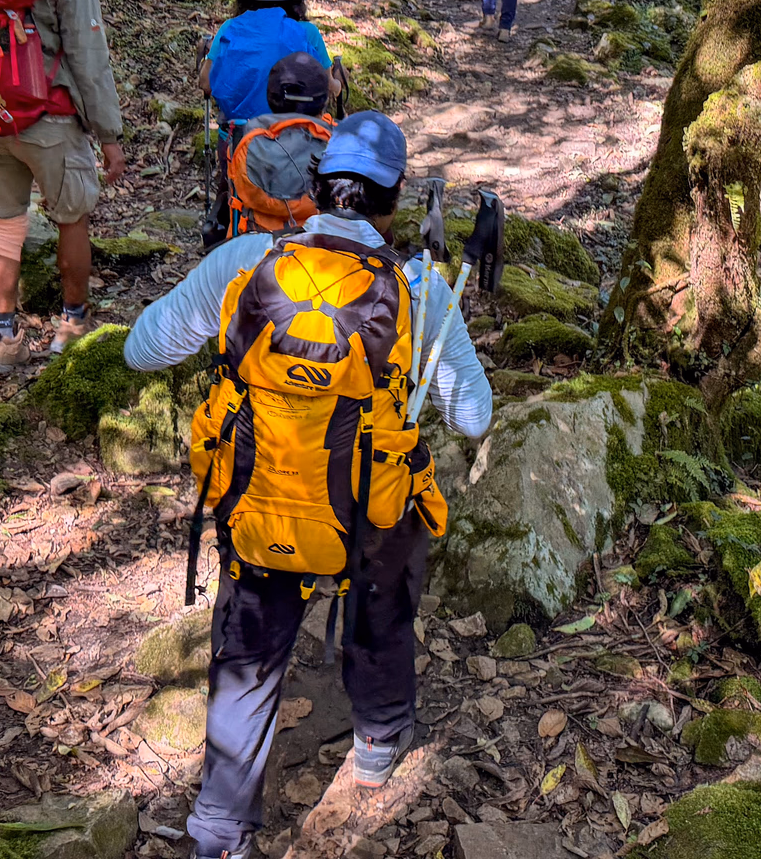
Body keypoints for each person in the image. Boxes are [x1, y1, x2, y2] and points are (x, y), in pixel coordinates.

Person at [125, 113, 492, 859]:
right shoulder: (419, 291)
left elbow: (141, 348)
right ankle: (379, 742)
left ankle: (221, 831)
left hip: (259, 502)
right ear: (390, 207)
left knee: (249, 649)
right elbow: (476, 416)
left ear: (318, 189)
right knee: (383, 601)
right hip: (366, 516)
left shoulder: (248, 261)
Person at [0, 0, 125, 371]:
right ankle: (72, 324)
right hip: (51, 119)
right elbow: (88, 54)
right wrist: (109, 135)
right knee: (72, 217)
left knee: (8, 227)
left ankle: (2, 338)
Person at [197, 0, 340, 245]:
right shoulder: (306, 33)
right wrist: (338, 76)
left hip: (240, 140)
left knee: (235, 189)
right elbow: (330, 88)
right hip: (301, 141)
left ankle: (234, 226)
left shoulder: (229, 29)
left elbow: (205, 83)